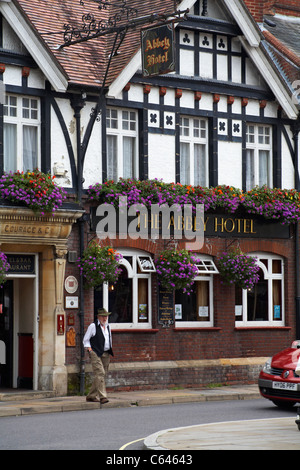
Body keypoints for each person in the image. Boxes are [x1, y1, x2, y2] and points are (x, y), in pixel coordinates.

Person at [83, 308, 113, 404]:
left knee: (102, 375)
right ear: (98, 317)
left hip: (106, 353)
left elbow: (109, 339)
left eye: (106, 316)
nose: (105, 318)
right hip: (95, 352)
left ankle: (91, 396)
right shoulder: (93, 326)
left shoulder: (108, 326)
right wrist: (90, 350)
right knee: (100, 373)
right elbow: (85, 340)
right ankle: (103, 397)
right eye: (103, 316)